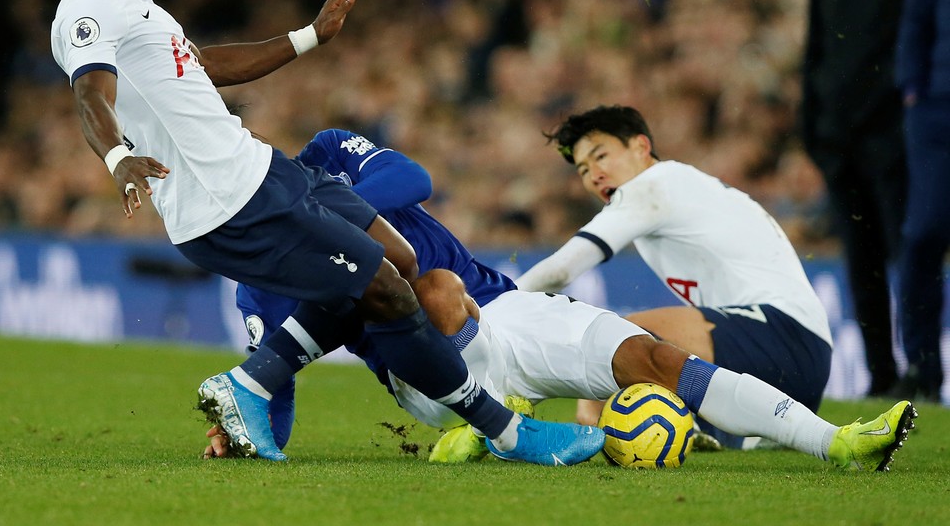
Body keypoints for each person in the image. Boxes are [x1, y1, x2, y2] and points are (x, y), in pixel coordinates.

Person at [50, 0, 604, 467]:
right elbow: (92, 97)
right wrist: (117, 158)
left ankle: (252, 384)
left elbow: (203, 64)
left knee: (401, 261)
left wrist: (311, 35)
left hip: (262, 168)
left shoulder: (133, 4)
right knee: (389, 293)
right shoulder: (83, 15)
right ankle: (509, 432)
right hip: (228, 200)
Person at [204, 129, 917, 472]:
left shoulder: (329, 152)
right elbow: (276, 373)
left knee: (651, 356)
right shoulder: (258, 273)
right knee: (435, 288)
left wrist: (327, 206)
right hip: (427, 361)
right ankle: (484, 418)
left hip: (509, 308)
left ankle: (838, 441)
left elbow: (413, 176)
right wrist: (243, 434)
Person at [514, 105, 834, 449]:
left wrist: (499, 304)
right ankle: (737, 434)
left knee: (615, 342)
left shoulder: (655, 184)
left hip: (785, 334)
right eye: (583, 169)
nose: (595, 174)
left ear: (641, 146)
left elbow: (561, 270)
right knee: (649, 360)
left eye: (601, 155)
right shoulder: (676, 187)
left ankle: (593, 439)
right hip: (797, 363)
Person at [800, 0, 919, 397]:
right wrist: (814, 134)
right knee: (862, 268)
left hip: (898, 143)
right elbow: (816, 51)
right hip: (841, 148)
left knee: (911, 257)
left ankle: (923, 371)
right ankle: (881, 377)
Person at [892, 0, 950, 403]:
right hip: (938, 105)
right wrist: (912, 85)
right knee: (922, 233)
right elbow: (919, 5)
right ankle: (923, 370)